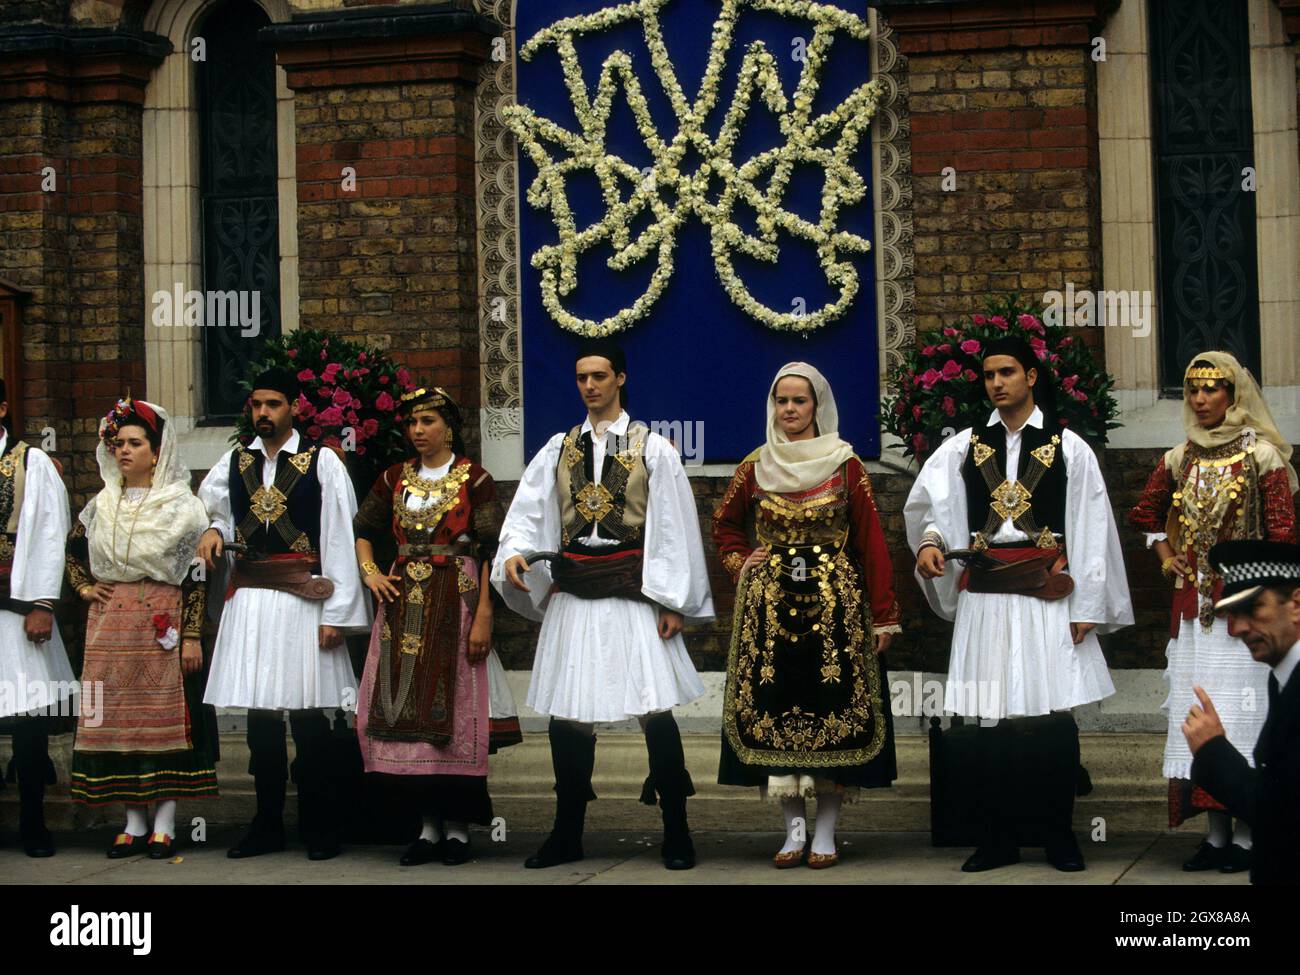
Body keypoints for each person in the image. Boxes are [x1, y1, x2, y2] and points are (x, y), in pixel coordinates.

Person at [903, 335, 1133, 872]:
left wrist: (1087, 605)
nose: (997, 383)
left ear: (1031, 376)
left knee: (1052, 720)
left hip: (1045, 593)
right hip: (986, 594)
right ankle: (998, 838)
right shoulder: (963, 445)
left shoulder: (1067, 446)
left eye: (1007, 372)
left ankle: (1058, 835)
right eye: (989, 375)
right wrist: (933, 543)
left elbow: (1091, 525)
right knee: (994, 722)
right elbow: (930, 505)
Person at [492, 338, 714, 870]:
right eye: (581, 378)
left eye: (599, 376)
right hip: (575, 594)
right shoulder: (557, 449)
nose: (589, 386)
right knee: (569, 719)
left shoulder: (653, 449)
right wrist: (516, 554)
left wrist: (671, 600)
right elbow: (528, 512)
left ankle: (677, 829)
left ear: (620, 379)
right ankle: (566, 832)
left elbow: (673, 528)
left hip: (632, 594)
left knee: (654, 713)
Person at [712, 362, 900, 869]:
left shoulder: (845, 466)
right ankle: (793, 831)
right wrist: (740, 560)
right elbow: (724, 524)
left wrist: (883, 615)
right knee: (775, 715)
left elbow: (871, 543)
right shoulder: (754, 466)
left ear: (817, 406)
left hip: (835, 610)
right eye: (781, 401)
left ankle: (825, 833)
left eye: (799, 401)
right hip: (769, 614)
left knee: (830, 715)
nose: (789, 410)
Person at [1129, 351, 1297, 872]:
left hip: (1243, 614)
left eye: (1211, 390)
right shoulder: (1182, 457)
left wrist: (1263, 602)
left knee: (1246, 718)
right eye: (1192, 391)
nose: (1200, 401)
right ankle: (1218, 836)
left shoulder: (1262, 457)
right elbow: (1146, 513)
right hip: (1194, 615)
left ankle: (1251, 835)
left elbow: (1284, 534)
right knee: (1200, 714)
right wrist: (1167, 559)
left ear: (1234, 395)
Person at [196, 367, 370, 860]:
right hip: (251, 599)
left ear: (294, 408)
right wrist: (211, 528)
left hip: (304, 599)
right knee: (261, 720)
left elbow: (338, 536)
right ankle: (266, 824)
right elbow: (213, 511)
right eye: (256, 405)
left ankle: (319, 825)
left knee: (310, 717)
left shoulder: (322, 462)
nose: (263, 413)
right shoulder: (235, 461)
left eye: (273, 404)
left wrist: (336, 613)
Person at [353, 386, 518, 867]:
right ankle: (426, 828)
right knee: (408, 711)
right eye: (412, 424)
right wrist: (371, 574)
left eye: (427, 422)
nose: (418, 431)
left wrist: (485, 612)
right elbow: (364, 530)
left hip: (458, 598)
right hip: (403, 603)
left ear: (448, 426)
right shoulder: (393, 478)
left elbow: (488, 549)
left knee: (457, 707)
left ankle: (459, 829)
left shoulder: (476, 479)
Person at [66, 397, 217, 859]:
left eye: (135, 443)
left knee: (162, 722)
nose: (124, 451)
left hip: (162, 623)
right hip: (109, 628)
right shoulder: (101, 504)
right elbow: (74, 554)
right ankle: (132, 822)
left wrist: (191, 635)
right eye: (118, 444)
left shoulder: (184, 507)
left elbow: (196, 575)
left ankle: (165, 824)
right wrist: (86, 589)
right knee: (113, 721)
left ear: (157, 450)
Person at [1183, 540, 1300, 886]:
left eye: (1253, 609)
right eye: (1232, 614)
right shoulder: (1282, 677)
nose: (1237, 629)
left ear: (1296, 605)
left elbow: (1280, 811)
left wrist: (1213, 751)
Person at [0, 378, 75, 857]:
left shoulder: (31, 462)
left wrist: (43, 603)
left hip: (15, 607)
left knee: (27, 723)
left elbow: (52, 531)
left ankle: (33, 824)